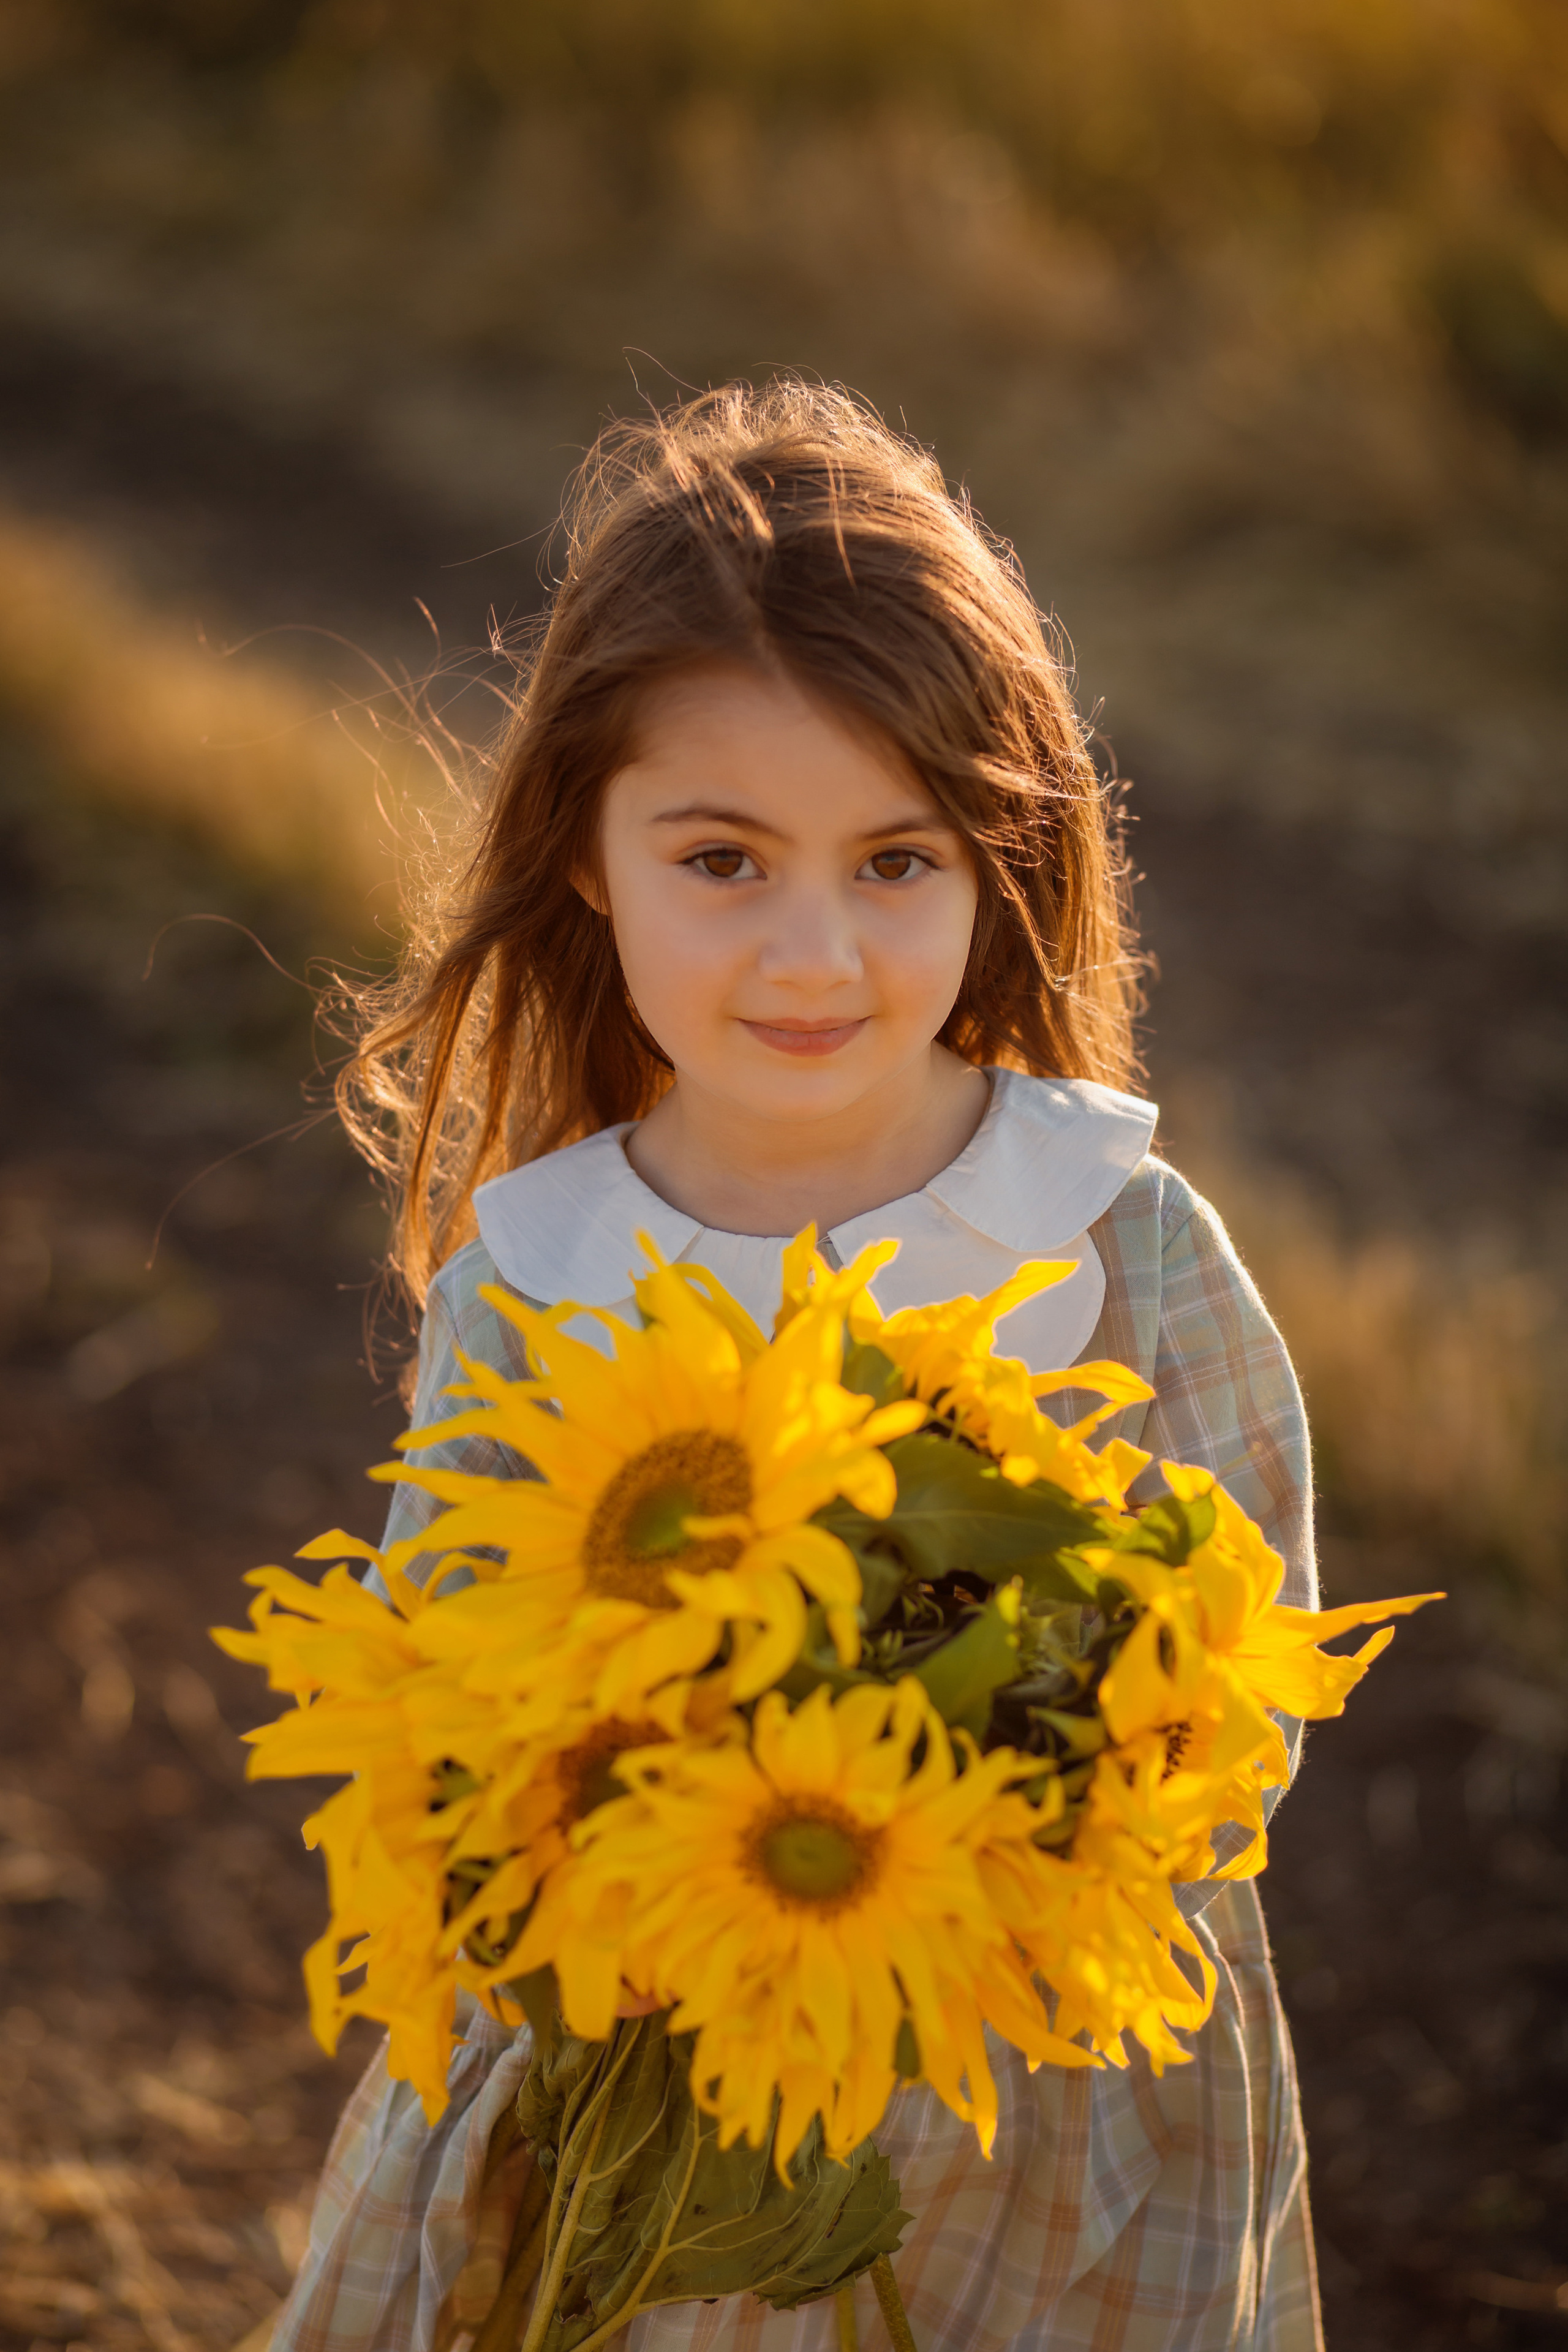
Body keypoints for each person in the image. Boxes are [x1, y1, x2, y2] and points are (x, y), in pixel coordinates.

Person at [275, 380, 1322, 2352]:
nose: (814, 956)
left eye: (896, 863)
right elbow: (452, 1707)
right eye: (724, 861)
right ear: (585, 856)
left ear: (996, 859)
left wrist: (1006, 1850)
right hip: (634, 2093)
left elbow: (1239, 1692)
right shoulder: (546, 1283)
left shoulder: (1109, 1236)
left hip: (1045, 2087)